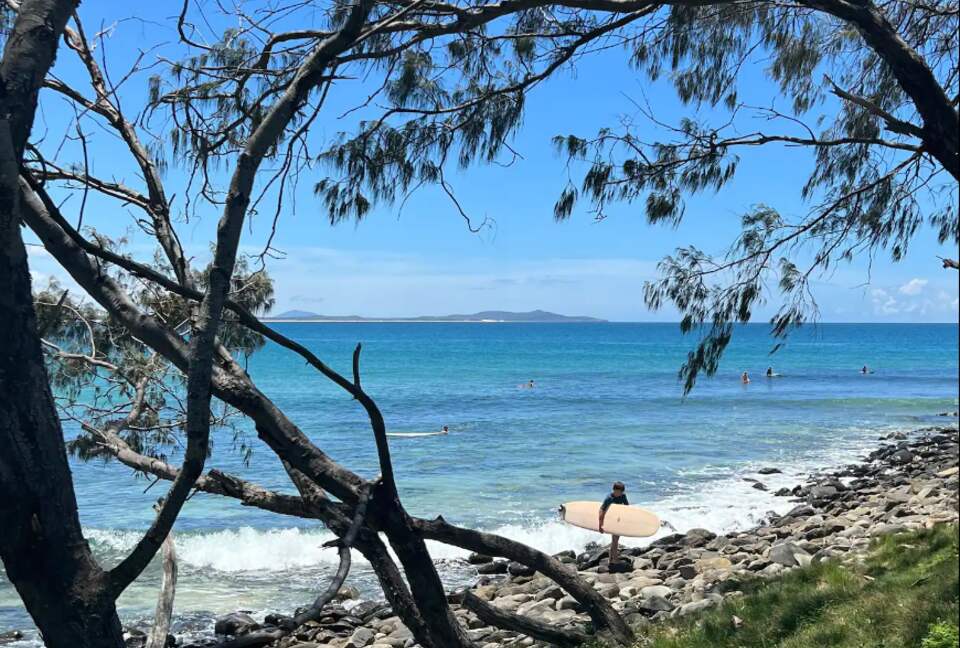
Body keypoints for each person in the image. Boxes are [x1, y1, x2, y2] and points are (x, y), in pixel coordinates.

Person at [599, 481, 628, 564]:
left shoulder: (623, 496)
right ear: (614, 490)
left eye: (622, 492)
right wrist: (600, 525)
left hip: (618, 519)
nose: (621, 493)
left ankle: (610, 558)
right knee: (615, 540)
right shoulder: (609, 498)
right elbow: (601, 510)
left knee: (615, 540)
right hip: (610, 520)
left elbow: (627, 508)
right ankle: (614, 559)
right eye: (619, 492)